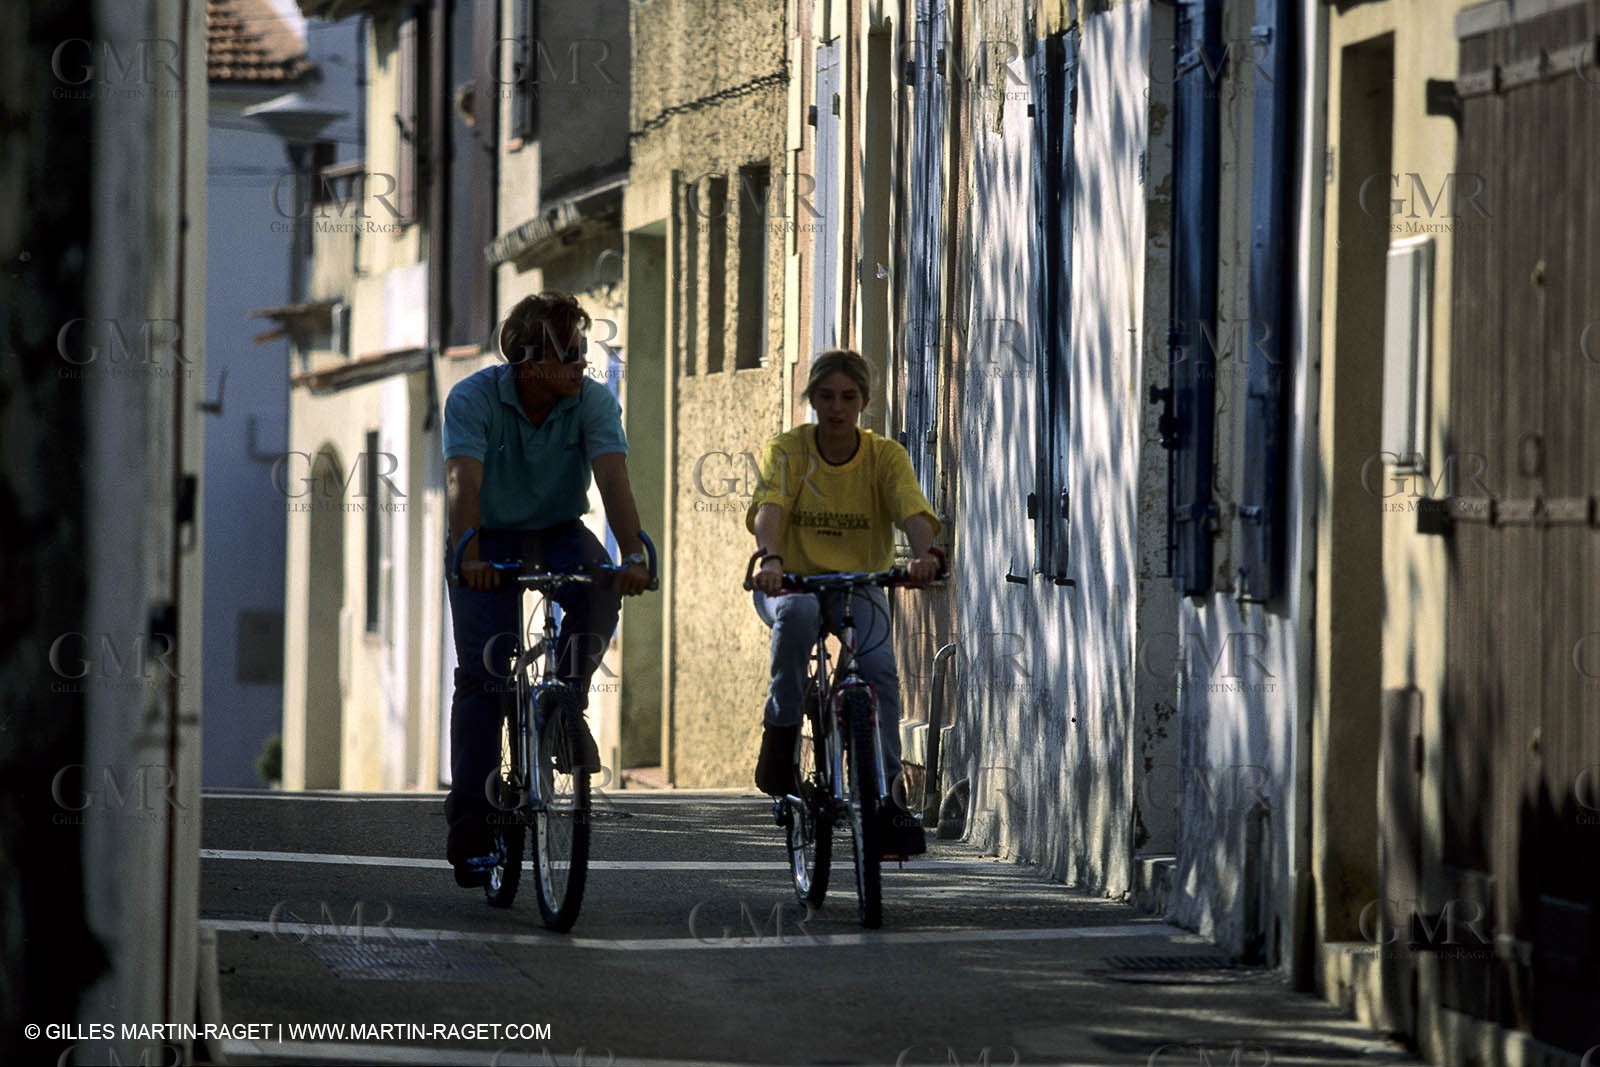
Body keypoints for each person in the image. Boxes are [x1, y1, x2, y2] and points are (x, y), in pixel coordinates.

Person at [442, 290, 651, 888]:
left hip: (558, 531)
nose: (583, 365)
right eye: (571, 354)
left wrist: (633, 553)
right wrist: (471, 554)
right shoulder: (474, 398)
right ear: (530, 361)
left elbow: (614, 479)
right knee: (483, 677)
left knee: (599, 587)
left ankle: (566, 703)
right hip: (485, 535)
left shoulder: (590, 401)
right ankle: (474, 830)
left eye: (584, 353)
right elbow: (463, 479)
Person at [746, 348, 944, 856]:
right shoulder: (789, 451)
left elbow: (913, 511)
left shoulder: (884, 456)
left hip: (859, 584)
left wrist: (927, 555)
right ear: (811, 398)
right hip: (791, 582)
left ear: (864, 402)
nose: (837, 408)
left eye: (848, 397)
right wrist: (770, 559)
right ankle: (782, 731)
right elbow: (770, 508)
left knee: (879, 670)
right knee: (798, 616)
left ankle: (888, 798)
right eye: (826, 396)